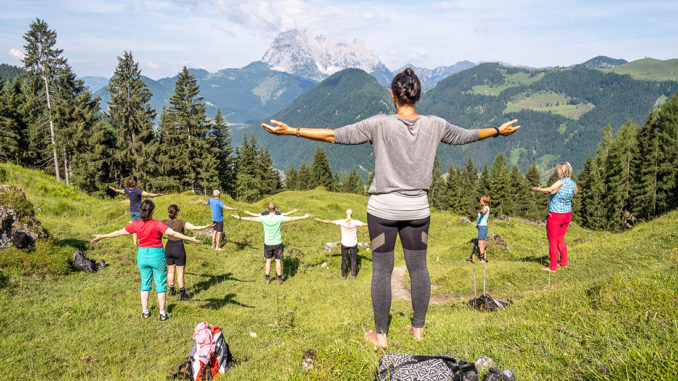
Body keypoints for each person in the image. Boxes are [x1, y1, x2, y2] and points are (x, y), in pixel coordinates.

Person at [261, 67, 520, 347]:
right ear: (418, 95)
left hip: (382, 211)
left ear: (392, 95)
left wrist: (292, 131)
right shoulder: (435, 124)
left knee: (382, 271)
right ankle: (418, 329)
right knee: (418, 269)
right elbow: (467, 135)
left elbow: (334, 135)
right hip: (417, 210)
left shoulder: (378, 124)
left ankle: (380, 335)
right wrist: (497, 131)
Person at [91, 200, 201, 321]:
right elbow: (173, 233)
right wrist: (191, 239)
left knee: (145, 284)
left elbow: (119, 232)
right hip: (156, 255)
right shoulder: (157, 224)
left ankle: (145, 312)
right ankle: (163, 314)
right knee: (160, 284)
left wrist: (102, 236)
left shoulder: (136, 224)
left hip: (142, 255)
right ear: (152, 211)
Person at [231, 202, 312, 285]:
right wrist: (304, 217)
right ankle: (279, 279)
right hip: (278, 243)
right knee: (278, 261)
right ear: (276, 209)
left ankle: (267, 279)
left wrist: (239, 218)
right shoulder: (279, 218)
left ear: (267, 209)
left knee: (268, 260)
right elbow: (292, 218)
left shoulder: (263, 218)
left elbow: (250, 218)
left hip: (268, 243)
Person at [532, 162, 578, 272]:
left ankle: (552, 267)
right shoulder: (573, 183)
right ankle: (564, 262)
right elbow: (575, 192)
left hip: (555, 215)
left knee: (552, 241)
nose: (557, 172)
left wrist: (539, 189)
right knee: (561, 239)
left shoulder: (560, 182)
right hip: (567, 214)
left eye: (558, 170)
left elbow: (549, 189)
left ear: (561, 171)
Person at [161, 204, 213, 300]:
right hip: (178, 247)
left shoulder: (164, 222)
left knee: (170, 271)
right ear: (177, 212)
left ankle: (171, 291)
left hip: (168, 247)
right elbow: (194, 228)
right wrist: (206, 226)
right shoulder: (181, 222)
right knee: (180, 272)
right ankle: (182, 294)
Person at [109, 175, 163, 247]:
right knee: (142, 226)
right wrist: (156, 195)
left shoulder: (127, 190)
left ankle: (135, 243)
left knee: (135, 226)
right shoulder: (137, 190)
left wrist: (114, 189)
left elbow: (120, 191)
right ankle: (141, 241)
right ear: (135, 182)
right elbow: (147, 194)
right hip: (139, 211)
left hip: (132, 211)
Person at [314, 208, 367, 279]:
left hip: (344, 243)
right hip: (353, 244)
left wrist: (319, 220)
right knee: (353, 260)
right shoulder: (355, 222)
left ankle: (343, 275)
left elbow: (329, 222)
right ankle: (353, 275)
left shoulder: (342, 221)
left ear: (345, 214)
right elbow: (366, 225)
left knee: (344, 260)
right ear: (352, 214)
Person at [468, 195, 491, 263]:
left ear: (484, 201)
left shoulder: (486, 208)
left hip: (482, 228)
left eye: (481, 200)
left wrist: (480, 211)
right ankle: (483, 257)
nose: (480, 201)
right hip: (482, 227)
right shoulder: (484, 207)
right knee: (482, 243)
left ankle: (482, 259)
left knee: (480, 244)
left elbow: (484, 212)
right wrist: (477, 224)